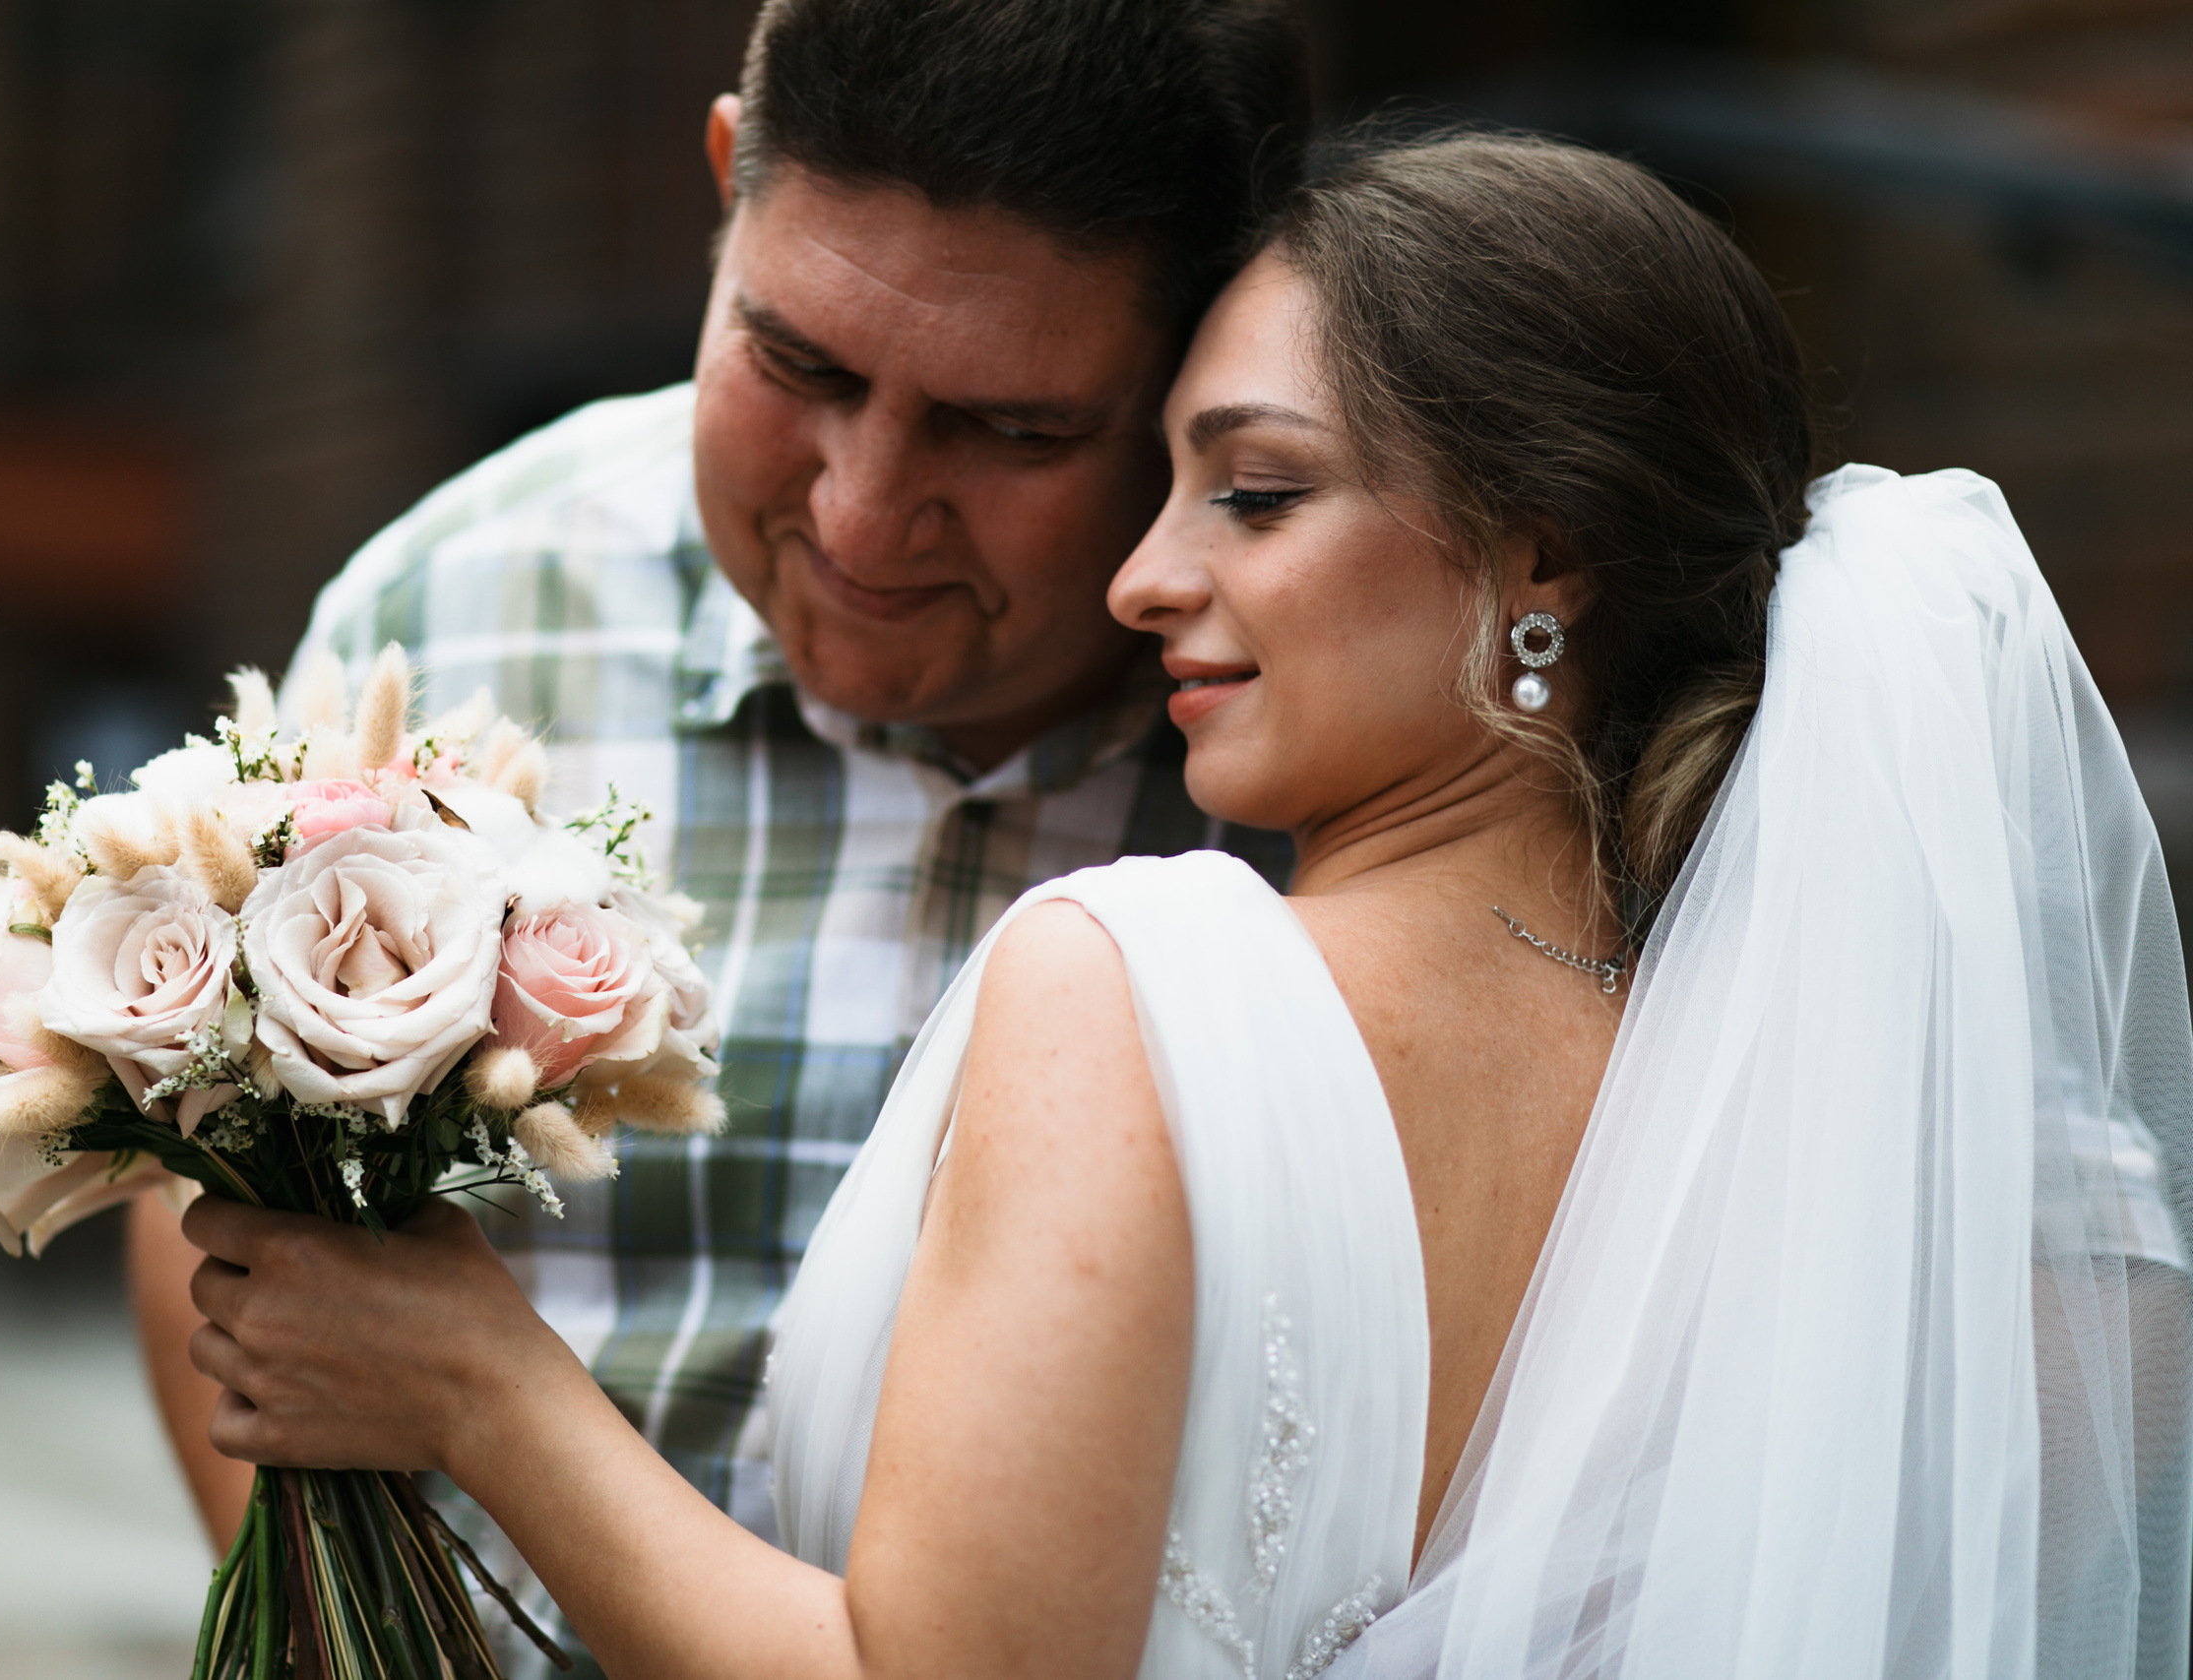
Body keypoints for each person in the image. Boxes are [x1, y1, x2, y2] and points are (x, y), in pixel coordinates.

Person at [182, 129, 2193, 1678]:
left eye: (1248, 491)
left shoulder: (1132, 978)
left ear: (1538, 558)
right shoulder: (1816, 1062)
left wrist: (476, 1379)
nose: (1140, 577)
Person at [128, 0, 1309, 1662]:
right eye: (797, 364)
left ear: (1208, 356)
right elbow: (204, 1187)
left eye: (1011, 430)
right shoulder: (456, 607)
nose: (857, 512)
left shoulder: (1344, 747)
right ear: (723, 184)